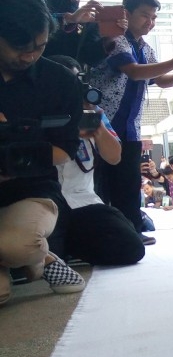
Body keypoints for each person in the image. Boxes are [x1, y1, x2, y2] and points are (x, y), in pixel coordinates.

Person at [88, 0, 173, 244]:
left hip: (130, 127)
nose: (149, 22)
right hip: (103, 122)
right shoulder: (115, 39)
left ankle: (130, 232)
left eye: (153, 17)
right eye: (144, 16)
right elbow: (135, 72)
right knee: (101, 182)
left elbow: (158, 79)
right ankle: (104, 235)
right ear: (126, 12)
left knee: (128, 182)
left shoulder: (145, 47)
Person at [0, 0, 87, 304]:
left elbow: (64, 149)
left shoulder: (60, 81)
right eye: (20, 47)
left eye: (40, 47)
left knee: (16, 245)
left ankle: (37, 256)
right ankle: (35, 263)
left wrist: (14, 162)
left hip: (31, 190)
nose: (29, 56)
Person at [49, 54, 144, 265]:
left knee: (130, 247)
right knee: (40, 255)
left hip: (83, 200)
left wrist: (96, 125)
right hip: (46, 201)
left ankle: (69, 246)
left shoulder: (93, 113)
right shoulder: (33, 110)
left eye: (75, 82)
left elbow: (114, 158)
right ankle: (61, 247)